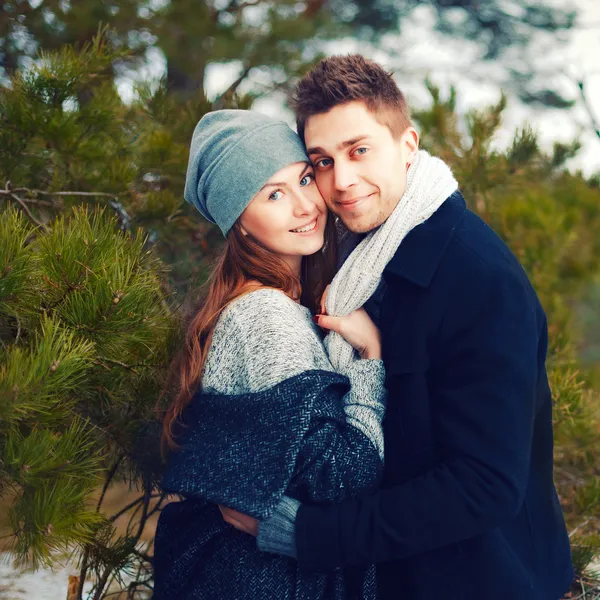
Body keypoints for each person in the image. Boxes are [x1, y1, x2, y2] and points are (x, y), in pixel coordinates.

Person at [220, 55, 575, 600]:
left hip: (480, 581)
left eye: (360, 150)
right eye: (322, 161)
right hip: (397, 576)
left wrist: (313, 533)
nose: (342, 181)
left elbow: (485, 485)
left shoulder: (475, 277)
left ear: (407, 145)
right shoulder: (357, 259)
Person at [152, 109, 388, 600]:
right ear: (237, 221)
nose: (306, 206)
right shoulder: (265, 318)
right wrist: (370, 358)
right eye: (274, 194)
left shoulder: (270, 305)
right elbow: (343, 473)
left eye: (304, 179)